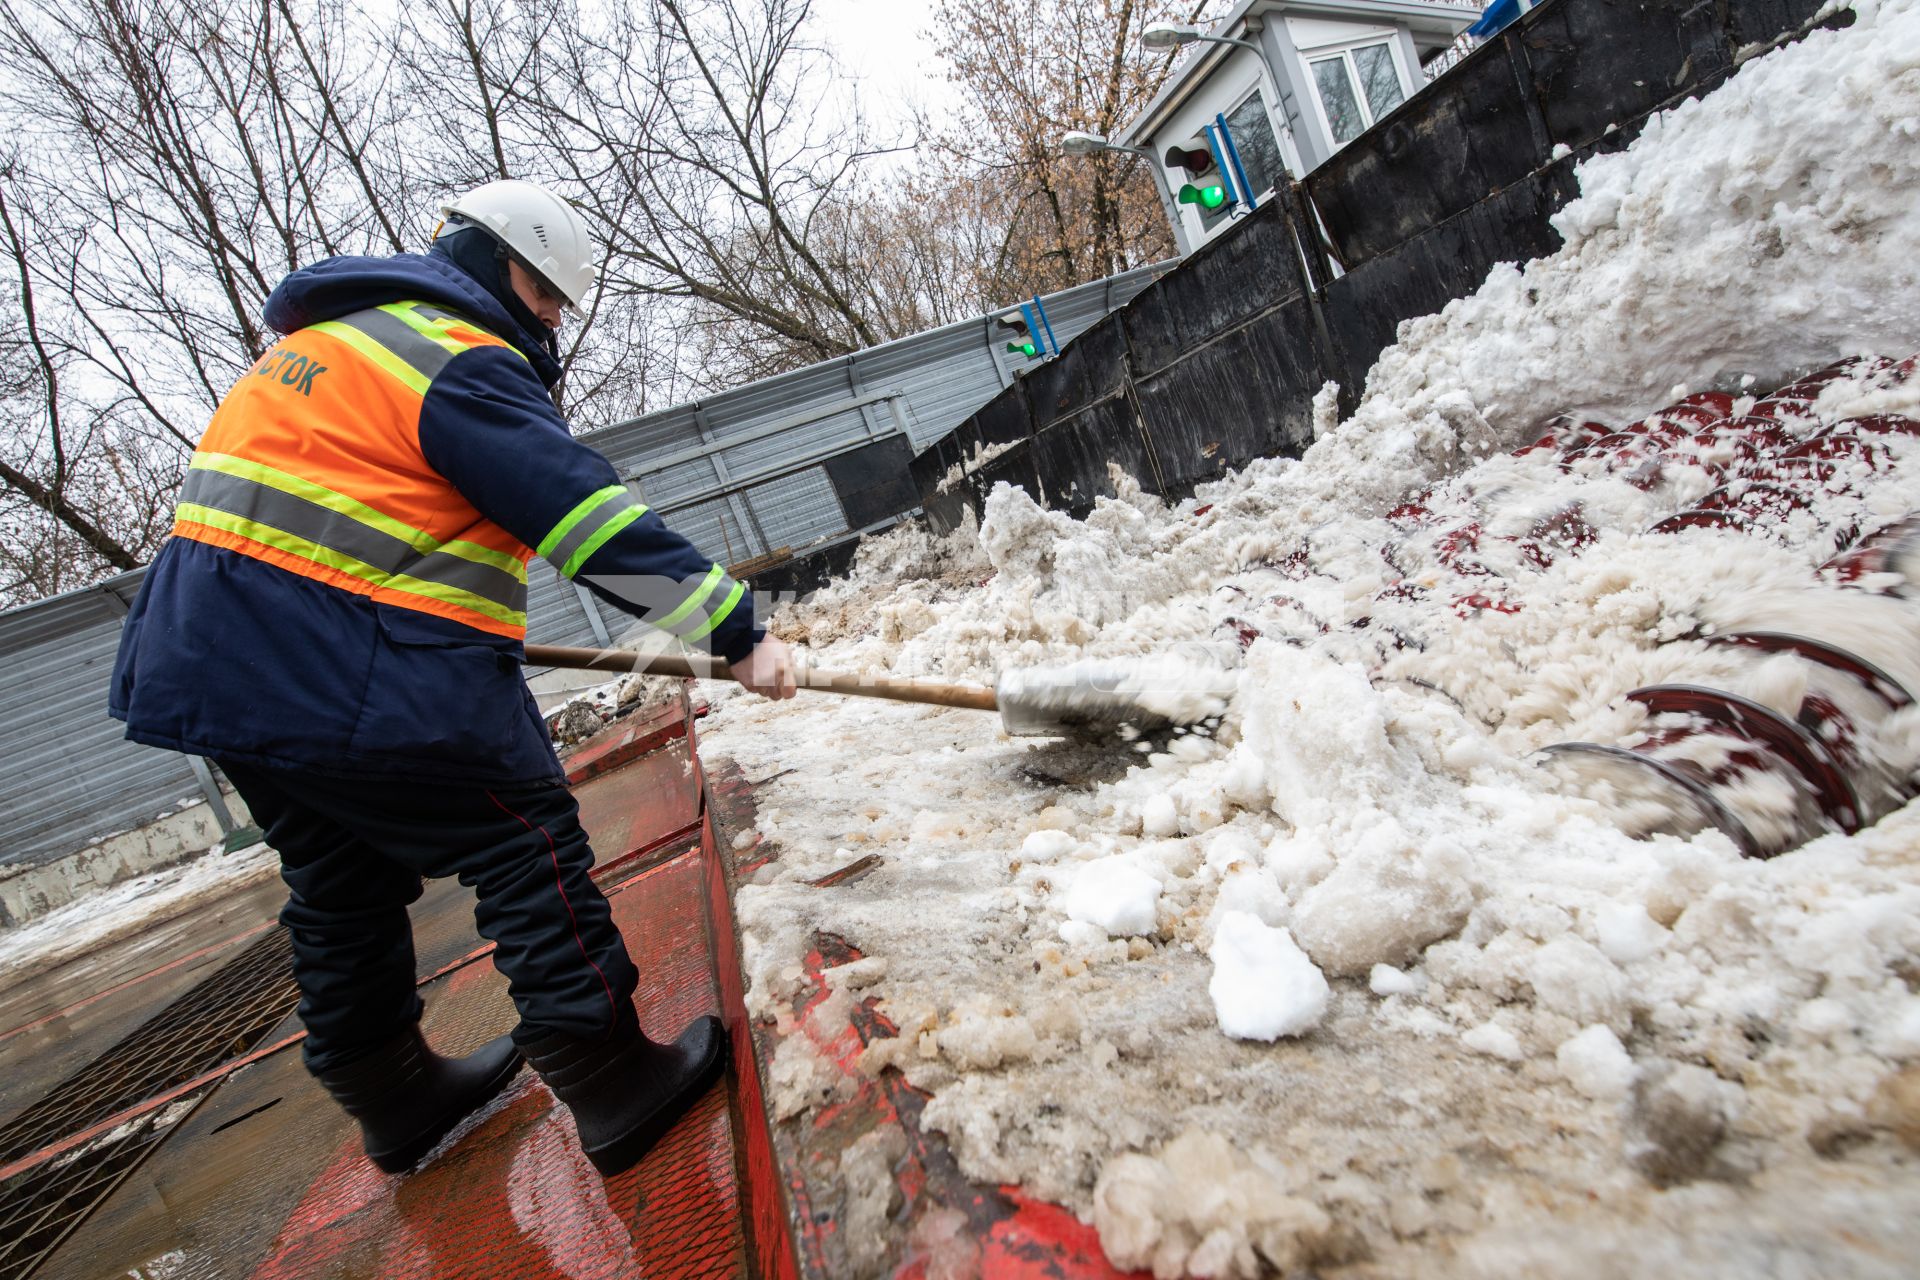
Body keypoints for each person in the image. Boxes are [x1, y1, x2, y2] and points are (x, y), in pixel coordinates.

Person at [108, 178, 796, 1177]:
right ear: (497, 263)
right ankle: (610, 1074)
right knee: (521, 830)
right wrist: (735, 629)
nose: (554, 321)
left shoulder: (322, 351)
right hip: (328, 651)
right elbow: (586, 520)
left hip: (214, 666)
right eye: (549, 295)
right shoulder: (453, 355)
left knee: (340, 876)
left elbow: (345, 526)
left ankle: (391, 1094)